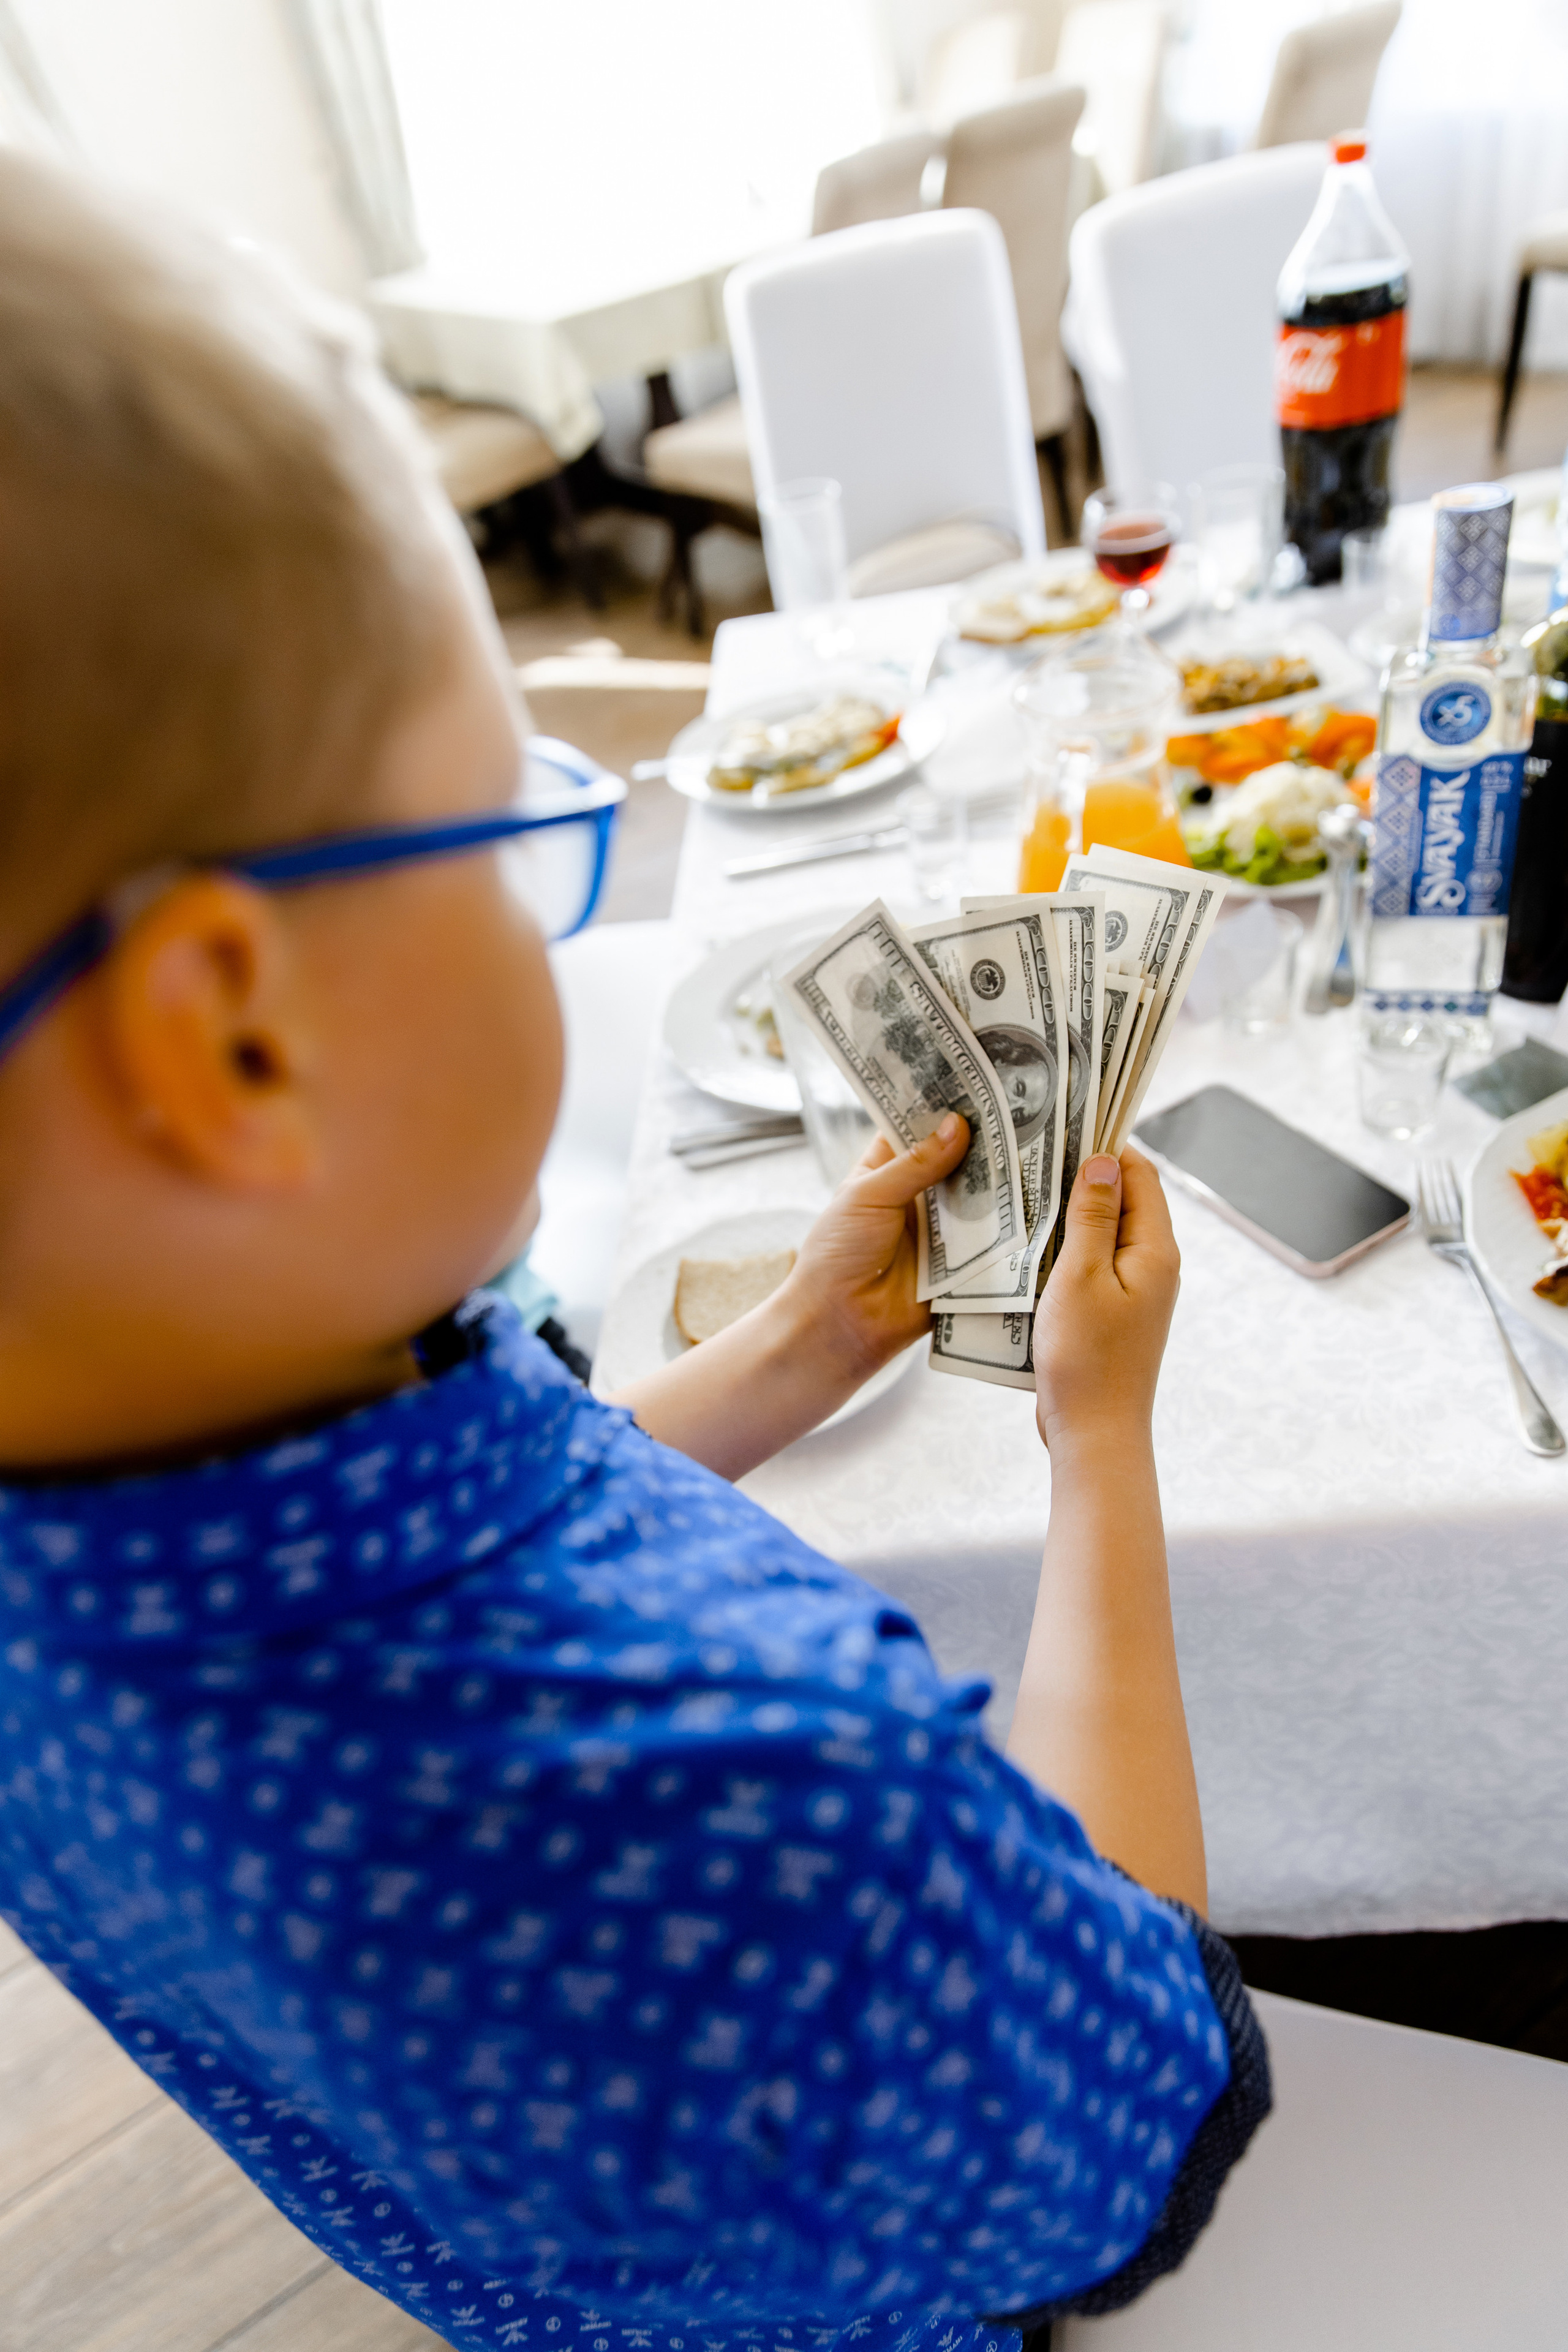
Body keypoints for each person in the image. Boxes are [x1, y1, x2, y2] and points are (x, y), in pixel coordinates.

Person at [0, 153, 1267, 2352]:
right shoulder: (775, 1790)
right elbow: (1133, 2124)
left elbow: (474, 1500)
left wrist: (787, 1348)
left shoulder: (169, 1449)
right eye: (509, 835)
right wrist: (1099, 1447)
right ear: (236, 1043)